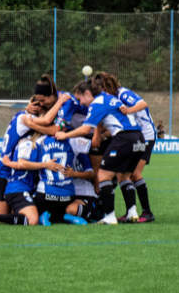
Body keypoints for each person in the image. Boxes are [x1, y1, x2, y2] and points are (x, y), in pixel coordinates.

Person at [55, 75, 145, 225]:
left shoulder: (97, 103)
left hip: (124, 138)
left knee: (103, 174)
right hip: (139, 138)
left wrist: (65, 135)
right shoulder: (109, 98)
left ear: (87, 94)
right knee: (124, 176)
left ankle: (109, 217)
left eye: (80, 99)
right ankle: (132, 212)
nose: (80, 103)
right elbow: (98, 138)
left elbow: (84, 130)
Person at [99, 72, 156, 223]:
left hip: (146, 135)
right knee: (122, 174)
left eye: (103, 89)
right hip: (136, 135)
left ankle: (147, 212)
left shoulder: (122, 93)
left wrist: (129, 110)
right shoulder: (113, 98)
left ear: (108, 86)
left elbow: (143, 103)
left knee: (135, 174)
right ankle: (131, 212)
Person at [0, 98, 41, 216]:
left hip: (8, 171)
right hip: (3, 172)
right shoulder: (28, 119)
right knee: (1, 218)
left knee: (9, 214)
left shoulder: (20, 115)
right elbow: (48, 122)